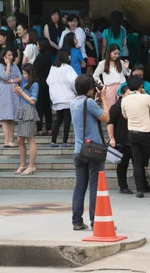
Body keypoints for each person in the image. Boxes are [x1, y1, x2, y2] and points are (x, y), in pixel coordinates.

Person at [70, 74, 109, 230]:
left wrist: (96, 100)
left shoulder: (73, 102)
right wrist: (104, 98)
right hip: (93, 151)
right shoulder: (89, 102)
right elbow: (106, 117)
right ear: (90, 89)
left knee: (80, 186)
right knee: (95, 187)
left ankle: (77, 221)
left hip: (79, 151)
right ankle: (96, 221)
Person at [120, 75, 150, 198]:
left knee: (137, 163)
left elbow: (125, 115)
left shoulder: (124, 100)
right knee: (145, 161)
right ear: (140, 85)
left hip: (132, 133)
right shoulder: (147, 98)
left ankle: (139, 189)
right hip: (146, 132)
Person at [13, 64, 39, 176]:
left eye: (25, 73)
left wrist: (21, 92)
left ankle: (31, 166)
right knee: (20, 139)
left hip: (29, 111)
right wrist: (18, 93)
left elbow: (32, 101)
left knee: (30, 139)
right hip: (23, 111)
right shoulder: (25, 84)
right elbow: (24, 98)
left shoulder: (35, 84)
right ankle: (23, 164)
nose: (24, 76)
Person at [47, 52, 78, 148]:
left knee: (58, 120)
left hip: (57, 98)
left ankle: (53, 141)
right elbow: (73, 81)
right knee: (67, 120)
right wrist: (77, 92)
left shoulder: (53, 68)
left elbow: (48, 81)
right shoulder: (67, 68)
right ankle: (64, 141)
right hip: (68, 97)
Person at [108, 85, 134, 195]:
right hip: (121, 140)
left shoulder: (134, 106)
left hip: (134, 139)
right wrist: (112, 138)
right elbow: (110, 123)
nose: (130, 97)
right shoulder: (116, 107)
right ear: (122, 95)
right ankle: (122, 186)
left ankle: (143, 185)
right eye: (128, 94)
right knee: (122, 165)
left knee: (139, 164)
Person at [0, 48, 21, 148]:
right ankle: (6, 140)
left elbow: (20, 77)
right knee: (6, 117)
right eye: (9, 55)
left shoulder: (15, 66)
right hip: (5, 92)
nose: (11, 57)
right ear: (4, 56)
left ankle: (11, 140)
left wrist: (11, 81)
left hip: (13, 91)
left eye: (11, 55)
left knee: (12, 117)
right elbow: (4, 77)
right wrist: (8, 65)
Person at [0, 29, 19, 118]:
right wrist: (2, 69)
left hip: (13, 73)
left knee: (14, 95)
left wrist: (11, 66)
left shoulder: (13, 47)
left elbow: (17, 58)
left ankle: (13, 117)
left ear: (5, 37)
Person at [33, 38, 53, 136]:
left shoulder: (41, 56)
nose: (36, 46)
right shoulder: (48, 56)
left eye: (37, 44)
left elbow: (35, 69)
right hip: (48, 83)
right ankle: (49, 128)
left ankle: (39, 128)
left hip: (40, 83)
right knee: (47, 107)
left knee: (40, 106)